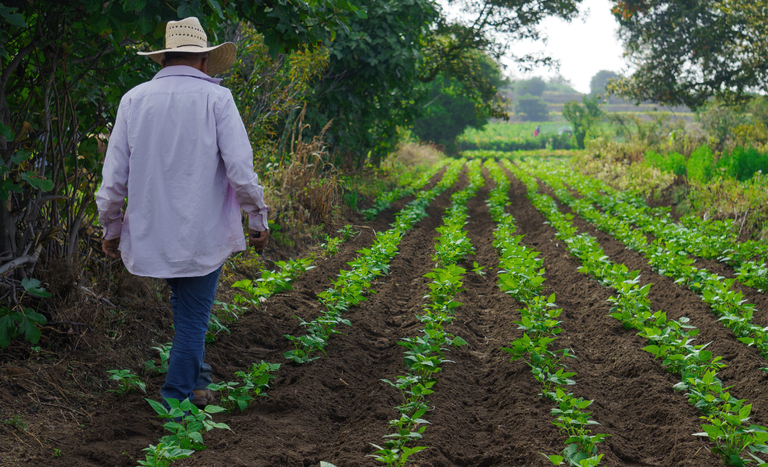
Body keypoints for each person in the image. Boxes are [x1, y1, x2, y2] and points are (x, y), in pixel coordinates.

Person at [96, 17, 269, 408]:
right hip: (201, 232)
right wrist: (257, 218)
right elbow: (241, 170)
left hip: (153, 231)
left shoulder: (133, 100)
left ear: (162, 61)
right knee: (193, 316)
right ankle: (176, 400)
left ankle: (198, 382)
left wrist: (110, 228)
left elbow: (114, 179)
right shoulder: (217, 99)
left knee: (187, 309)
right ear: (205, 62)